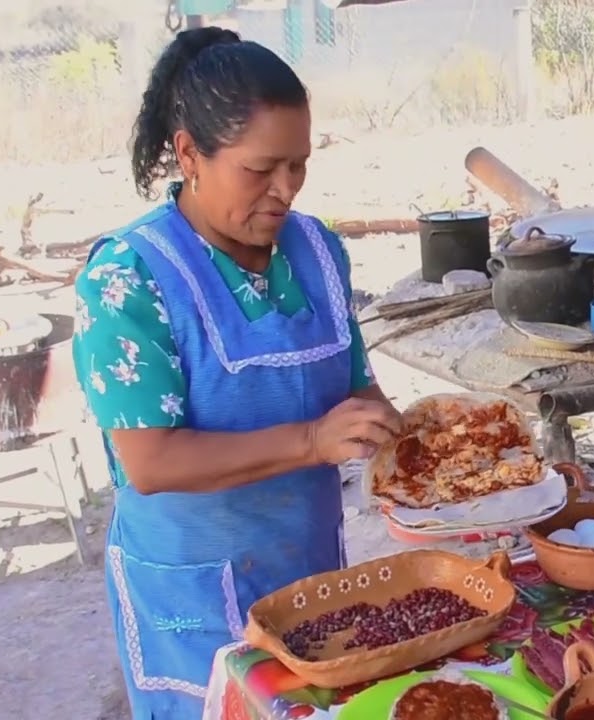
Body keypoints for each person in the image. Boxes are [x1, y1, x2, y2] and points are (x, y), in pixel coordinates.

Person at [71, 26, 402, 719]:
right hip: (194, 594)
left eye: (299, 166)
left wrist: (402, 441)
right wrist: (311, 442)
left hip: (307, 569)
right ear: (190, 152)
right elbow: (151, 461)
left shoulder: (316, 251)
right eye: (261, 169)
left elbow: (354, 385)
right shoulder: (128, 280)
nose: (284, 191)